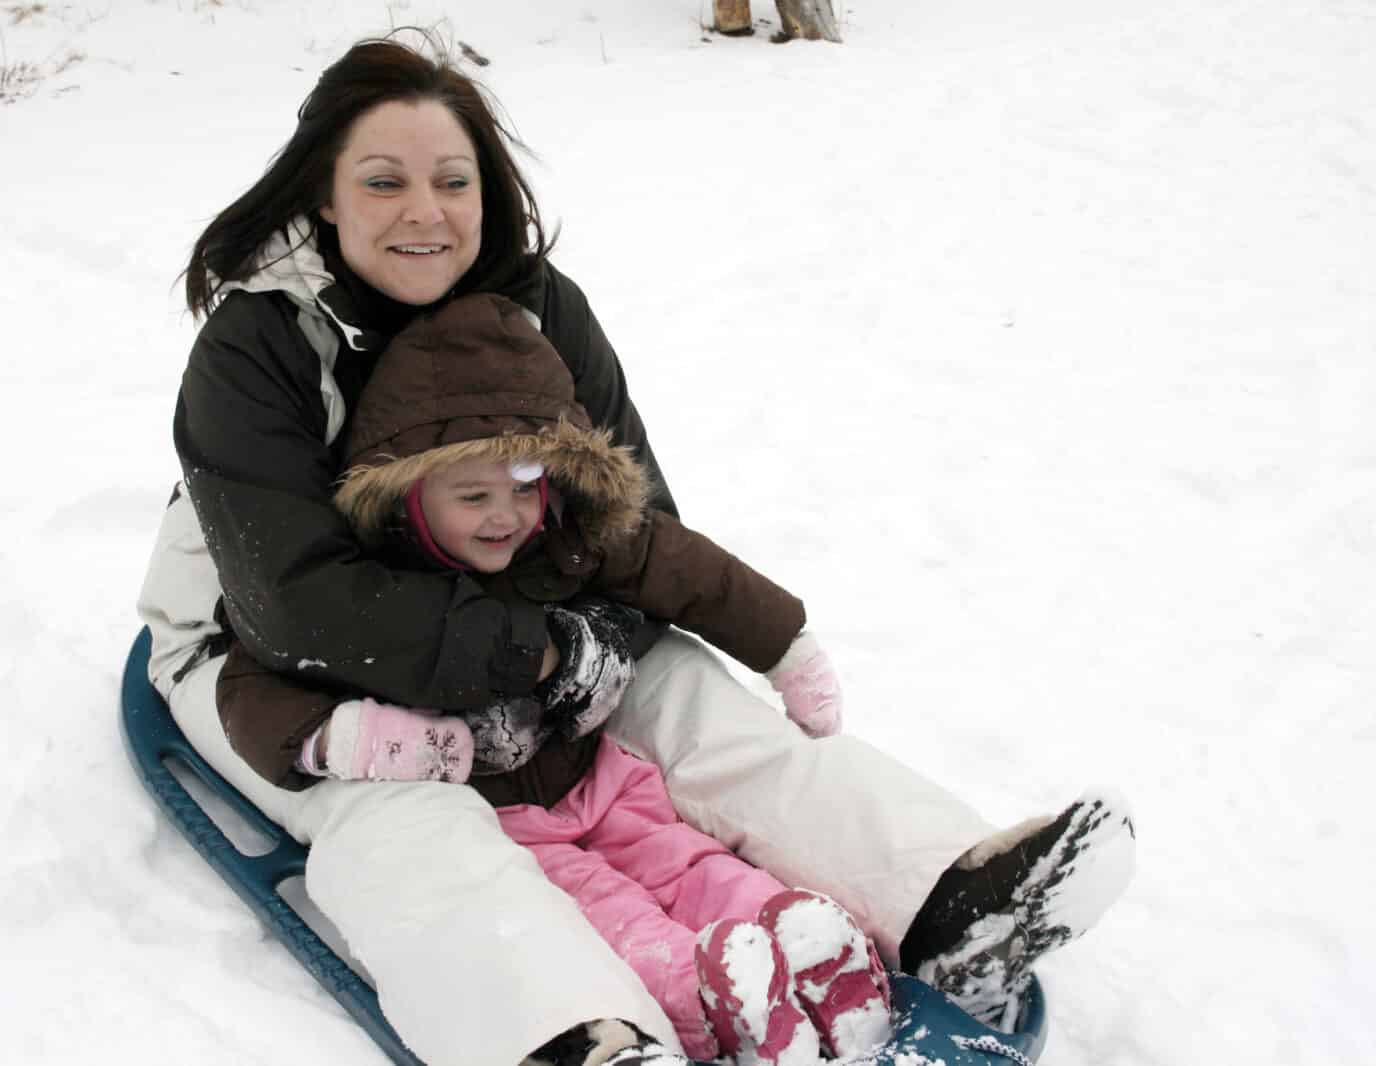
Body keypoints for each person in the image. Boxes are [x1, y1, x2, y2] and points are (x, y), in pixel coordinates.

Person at [135, 32, 1137, 1066]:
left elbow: (628, 518)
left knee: (687, 703)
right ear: (327, 197)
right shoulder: (256, 345)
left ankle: (946, 900)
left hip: (519, 603)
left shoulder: (538, 310)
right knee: (403, 817)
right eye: (382, 180)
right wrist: (539, 660)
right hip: (271, 665)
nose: (423, 211)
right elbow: (294, 606)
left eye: (451, 179)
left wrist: (600, 642)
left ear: (489, 193)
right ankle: (574, 1036)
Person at [215, 291, 895, 1064]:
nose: (505, 514)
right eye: (472, 495)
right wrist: (347, 736)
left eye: (526, 486)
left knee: (689, 863)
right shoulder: (367, 590)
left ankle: (798, 949)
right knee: (602, 913)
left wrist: (785, 644)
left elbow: (688, 568)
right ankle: (707, 999)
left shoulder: (563, 539)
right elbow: (253, 685)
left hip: (599, 774)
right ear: (404, 493)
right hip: (500, 820)